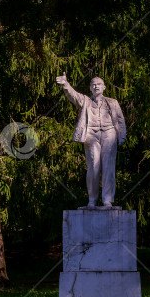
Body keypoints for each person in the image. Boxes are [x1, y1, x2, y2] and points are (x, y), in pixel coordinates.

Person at [56, 73, 126, 207]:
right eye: (93, 84)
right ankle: (92, 200)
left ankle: (107, 200)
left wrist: (121, 135)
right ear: (90, 88)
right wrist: (66, 84)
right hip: (91, 135)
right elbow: (74, 96)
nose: (96, 86)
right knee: (93, 167)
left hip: (109, 133)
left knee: (108, 167)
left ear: (104, 87)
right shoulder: (86, 101)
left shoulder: (112, 102)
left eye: (99, 84)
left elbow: (120, 119)